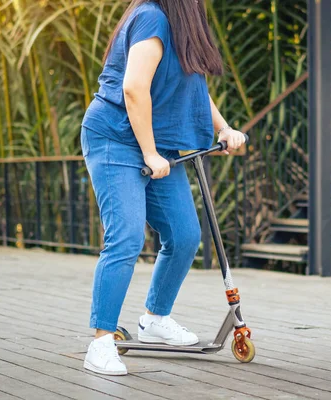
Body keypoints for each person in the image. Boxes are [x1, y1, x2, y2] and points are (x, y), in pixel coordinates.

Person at [80, 0, 246, 376]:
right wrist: (151, 153)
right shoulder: (152, 18)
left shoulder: (180, 25)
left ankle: (155, 319)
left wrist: (223, 128)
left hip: (158, 143)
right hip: (116, 139)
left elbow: (191, 88)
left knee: (185, 234)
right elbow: (134, 88)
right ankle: (101, 342)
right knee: (125, 238)